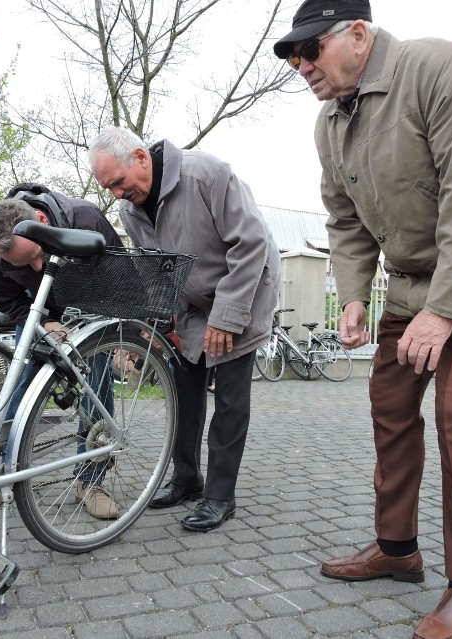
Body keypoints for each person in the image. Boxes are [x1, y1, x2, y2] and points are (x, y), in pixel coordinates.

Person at [274, 1, 452, 637]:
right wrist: (353, 295)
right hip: (415, 275)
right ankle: (397, 550)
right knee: (390, 400)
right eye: (291, 56)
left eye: (310, 49)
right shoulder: (329, 124)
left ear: (359, 35)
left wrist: (445, 312)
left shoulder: (439, 68)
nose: (300, 66)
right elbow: (344, 220)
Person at [88, 126, 281, 532]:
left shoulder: (205, 175)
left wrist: (227, 317)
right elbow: (155, 270)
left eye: (119, 182)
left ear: (141, 157)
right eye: (109, 188)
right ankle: (187, 478)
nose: (117, 194)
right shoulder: (130, 209)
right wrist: (156, 321)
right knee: (184, 392)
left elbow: (251, 245)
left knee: (229, 400)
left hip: (242, 292)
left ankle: (219, 496)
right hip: (192, 304)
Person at [0, 184, 124, 519]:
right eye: (22, 264)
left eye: (37, 257)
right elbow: (6, 300)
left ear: (41, 221)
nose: (35, 268)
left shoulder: (85, 219)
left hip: (89, 311)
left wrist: (121, 335)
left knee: (96, 390)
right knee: (20, 388)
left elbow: (121, 278)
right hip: (38, 312)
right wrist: (45, 324)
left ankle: (90, 481)